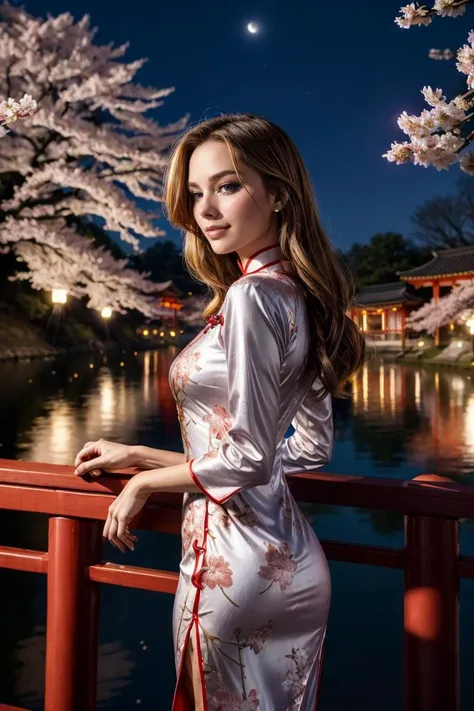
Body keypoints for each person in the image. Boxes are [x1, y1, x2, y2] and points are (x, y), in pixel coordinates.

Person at [74, 113, 365, 711]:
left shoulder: (252, 297)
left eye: (228, 186)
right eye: (197, 192)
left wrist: (145, 483)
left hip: (230, 567)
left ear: (278, 194)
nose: (206, 209)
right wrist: (143, 454)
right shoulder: (298, 292)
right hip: (293, 565)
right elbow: (304, 449)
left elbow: (250, 456)